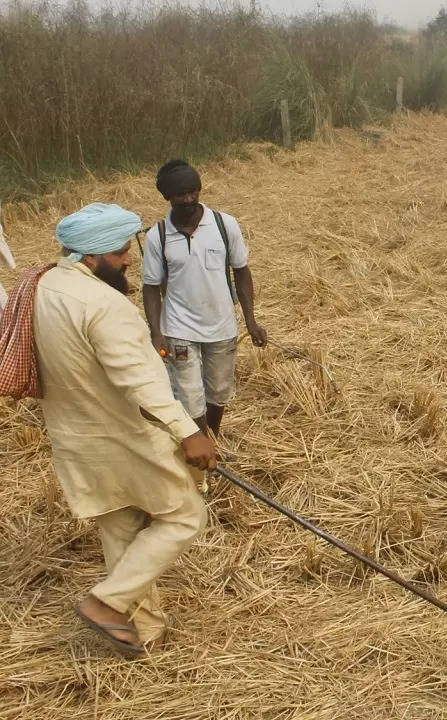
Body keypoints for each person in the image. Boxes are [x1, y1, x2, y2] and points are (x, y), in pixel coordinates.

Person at [33, 202, 217, 656]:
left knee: (121, 528)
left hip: (75, 438)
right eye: (118, 253)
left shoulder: (42, 286)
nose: (128, 259)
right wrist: (188, 430)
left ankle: (144, 630)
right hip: (123, 436)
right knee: (184, 517)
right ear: (91, 256)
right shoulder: (102, 303)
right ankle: (107, 603)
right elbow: (137, 377)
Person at [142, 159, 267, 437]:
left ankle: (211, 437)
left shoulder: (225, 225)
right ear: (167, 197)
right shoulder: (157, 236)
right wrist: (156, 333)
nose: (189, 199)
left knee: (219, 390)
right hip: (179, 329)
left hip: (221, 327)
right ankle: (202, 447)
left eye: (194, 192)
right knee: (188, 394)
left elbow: (241, 272)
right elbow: (150, 287)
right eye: (181, 195)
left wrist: (251, 320)